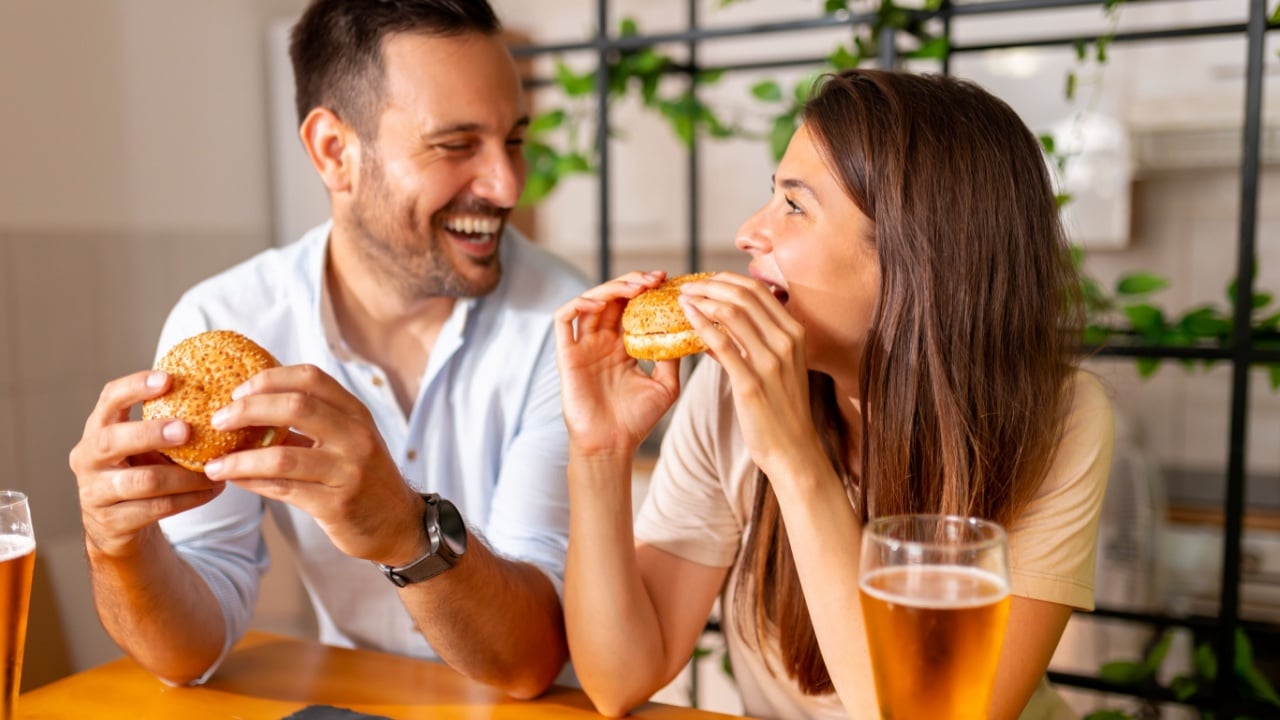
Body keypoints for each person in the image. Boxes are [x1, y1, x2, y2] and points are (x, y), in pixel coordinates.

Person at [554, 68, 1114, 719]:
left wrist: (794, 460)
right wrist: (598, 451)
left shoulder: (1060, 418)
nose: (746, 233)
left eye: (794, 207)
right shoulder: (730, 389)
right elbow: (618, 677)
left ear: (917, 259)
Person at [67, 0, 585, 699]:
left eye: (514, 140)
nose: (506, 184)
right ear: (334, 152)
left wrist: (406, 530)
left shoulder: (569, 325)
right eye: (457, 145)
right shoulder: (225, 317)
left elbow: (531, 660)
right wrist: (119, 546)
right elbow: (187, 653)